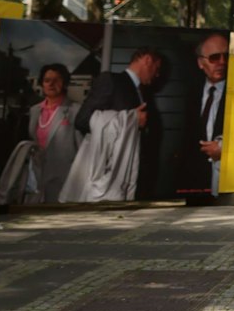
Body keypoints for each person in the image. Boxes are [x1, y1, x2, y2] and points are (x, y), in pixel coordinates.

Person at [62, 48, 163, 202]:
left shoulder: (143, 93)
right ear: (147, 60)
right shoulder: (111, 80)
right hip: (108, 178)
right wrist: (131, 120)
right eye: (157, 68)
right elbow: (82, 120)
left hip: (131, 177)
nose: (158, 74)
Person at [0, 63, 79, 204]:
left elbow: (82, 148)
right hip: (36, 176)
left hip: (63, 178)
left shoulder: (75, 110)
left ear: (64, 83)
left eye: (57, 80)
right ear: (42, 84)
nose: (51, 84)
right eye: (47, 80)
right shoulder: (35, 110)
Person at [185, 33, 228, 197]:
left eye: (226, 56)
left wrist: (225, 149)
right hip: (194, 180)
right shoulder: (190, 91)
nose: (222, 62)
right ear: (200, 63)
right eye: (214, 57)